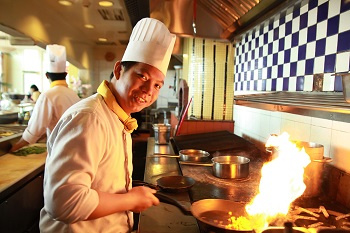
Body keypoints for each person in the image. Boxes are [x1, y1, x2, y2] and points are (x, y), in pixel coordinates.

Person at [39, 18, 176, 232]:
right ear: (119, 70)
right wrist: (130, 200)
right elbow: (63, 202)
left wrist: (125, 189)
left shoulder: (117, 116)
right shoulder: (90, 118)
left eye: (157, 85)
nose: (149, 90)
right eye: (142, 76)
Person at [10, 45, 81, 152]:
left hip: (59, 150)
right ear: (66, 74)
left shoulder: (48, 96)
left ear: (47, 75)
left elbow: (34, 131)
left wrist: (14, 148)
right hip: (75, 148)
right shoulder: (73, 94)